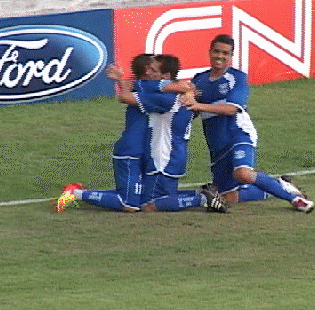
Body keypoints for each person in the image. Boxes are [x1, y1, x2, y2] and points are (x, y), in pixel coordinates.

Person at [55, 54, 227, 213]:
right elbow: (171, 85)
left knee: (144, 203)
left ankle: (201, 197)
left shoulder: (164, 98)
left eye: (153, 69)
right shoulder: (176, 93)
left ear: (165, 76)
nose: (148, 71)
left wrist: (122, 81)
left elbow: (126, 96)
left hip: (160, 157)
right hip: (148, 154)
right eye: (147, 68)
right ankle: (202, 194)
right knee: (136, 200)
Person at [184, 34, 314, 213]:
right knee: (227, 197)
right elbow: (191, 110)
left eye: (225, 53)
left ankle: (295, 199)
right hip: (216, 145)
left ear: (231, 56)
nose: (220, 56)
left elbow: (232, 108)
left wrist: (197, 104)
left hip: (237, 133)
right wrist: (187, 102)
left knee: (242, 173)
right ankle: (278, 186)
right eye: (216, 51)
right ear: (209, 52)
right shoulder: (199, 80)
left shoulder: (237, 78)